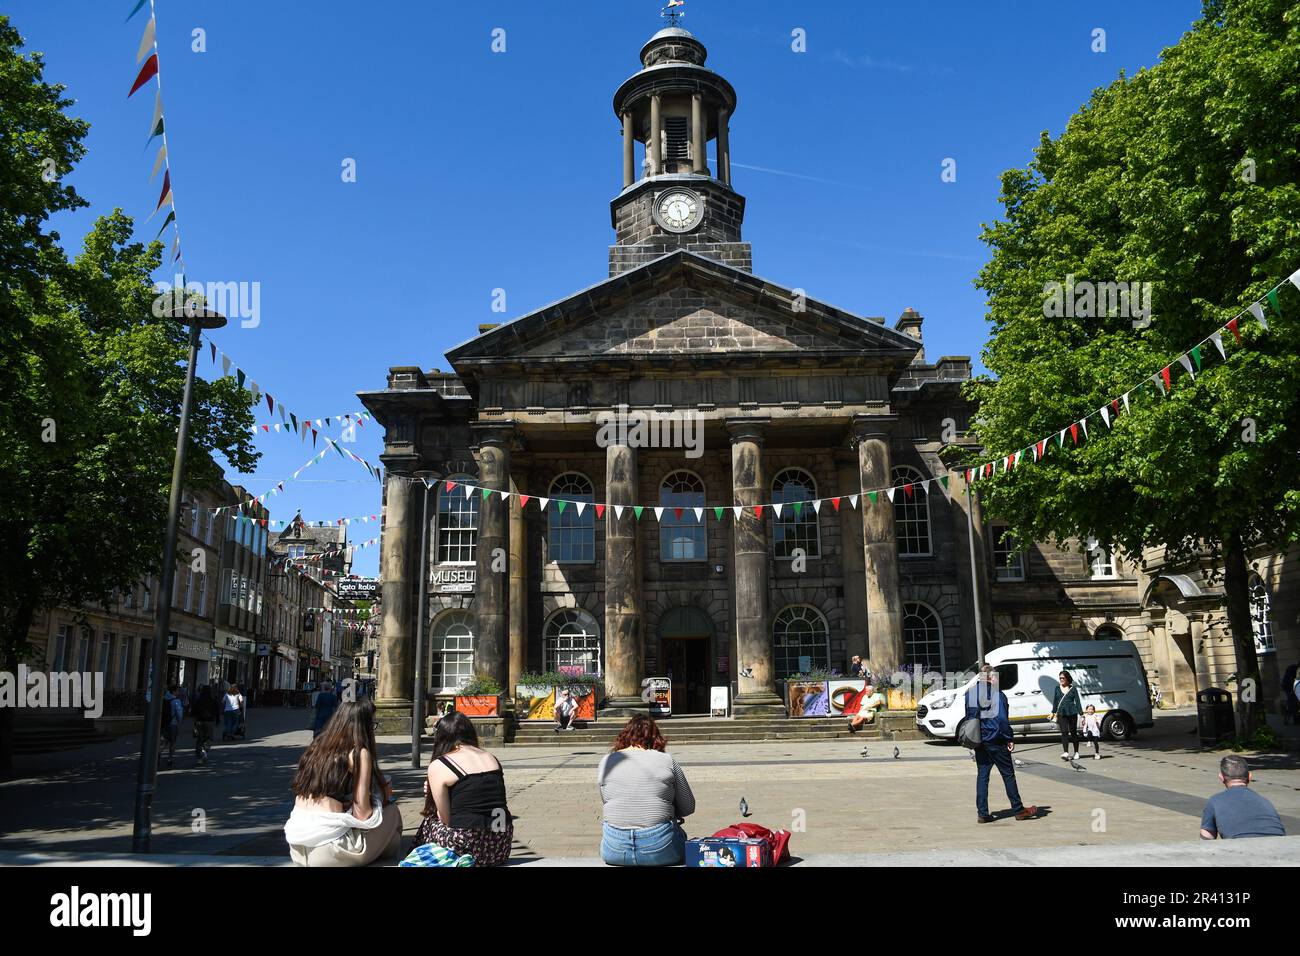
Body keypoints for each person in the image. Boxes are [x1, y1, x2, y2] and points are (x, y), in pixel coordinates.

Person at [284, 698, 404, 866]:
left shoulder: (315, 748)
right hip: (328, 851)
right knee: (392, 813)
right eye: (372, 725)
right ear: (363, 727)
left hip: (297, 847)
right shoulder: (358, 753)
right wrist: (378, 798)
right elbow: (363, 814)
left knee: (388, 838)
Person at [415, 712, 513, 866]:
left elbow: (445, 819)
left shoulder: (440, 764)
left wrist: (432, 795)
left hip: (468, 847)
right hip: (500, 844)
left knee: (429, 821)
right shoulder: (491, 757)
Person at [597, 715, 696, 866]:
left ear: (625, 736)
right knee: (679, 834)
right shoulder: (667, 760)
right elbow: (688, 807)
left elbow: (606, 799)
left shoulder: (606, 761)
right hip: (660, 847)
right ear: (655, 737)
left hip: (615, 848)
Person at [965, 665, 1037, 824]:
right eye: (996, 676)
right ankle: (1018, 810)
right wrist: (1009, 738)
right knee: (1008, 774)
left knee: (983, 776)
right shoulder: (998, 694)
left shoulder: (971, 693)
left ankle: (982, 813)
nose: (998, 679)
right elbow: (1002, 720)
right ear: (990, 677)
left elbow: (969, 717)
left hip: (979, 740)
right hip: (996, 739)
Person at [1199, 755, 1286, 840]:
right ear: (1250, 776)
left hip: (1242, 849)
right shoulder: (1265, 802)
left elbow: (1206, 839)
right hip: (1279, 846)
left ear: (1221, 777)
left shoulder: (1215, 801)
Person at [1049, 670, 1084, 761]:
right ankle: (1066, 752)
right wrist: (1053, 712)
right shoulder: (1057, 688)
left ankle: (1076, 752)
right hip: (1061, 713)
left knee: (1073, 733)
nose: (1061, 679)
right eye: (1060, 678)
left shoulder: (1073, 689)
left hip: (1072, 712)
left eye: (1063, 678)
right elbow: (1055, 701)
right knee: (1064, 732)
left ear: (1067, 678)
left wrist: (1081, 714)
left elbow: (1078, 701)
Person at [192, 685, 218, 764]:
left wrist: (195, 722)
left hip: (199, 722)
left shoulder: (198, 700)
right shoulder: (212, 700)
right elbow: (217, 710)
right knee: (208, 738)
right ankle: (204, 752)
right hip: (209, 722)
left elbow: (193, 712)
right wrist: (217, 720)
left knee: (200, 739)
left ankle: (199, 757)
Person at [160, 683, 183, 769]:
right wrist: (179, 721)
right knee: (172, 742)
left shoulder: (164, 699)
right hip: (173, 724)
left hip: (164, 723)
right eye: (177, 691)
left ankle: (159, 753)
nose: (178, 692)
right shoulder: (176, 701)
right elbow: (179, 714)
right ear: (173, 691)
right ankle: (170, 758)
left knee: (164, 741)